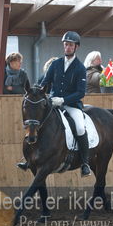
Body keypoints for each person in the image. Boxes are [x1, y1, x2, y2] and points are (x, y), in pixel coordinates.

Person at [42, 31, 91, 177]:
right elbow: (45, 82)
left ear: (76, 47)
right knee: (37, 122)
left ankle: (85, 163)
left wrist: (63, 100)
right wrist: (38, 91)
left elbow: (80, 93)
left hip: (71, 105)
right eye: (66, 44)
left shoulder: (80, 68)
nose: (67, 47)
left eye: (70, 45)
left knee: (80, 128)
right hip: (53, 103)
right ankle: (29, 158)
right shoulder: (55, 64)